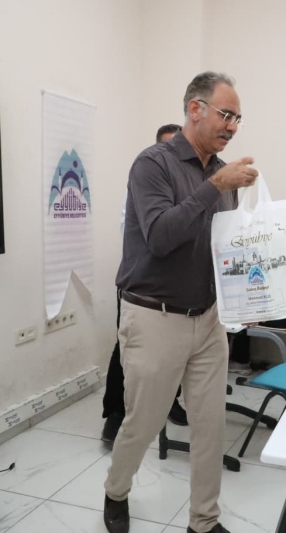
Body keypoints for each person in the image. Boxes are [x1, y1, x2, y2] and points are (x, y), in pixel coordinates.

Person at [103, 72, 257, 533]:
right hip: (154, 317)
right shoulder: (152, 164)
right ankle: (116, 490)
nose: (232, 126)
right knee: (143, 424)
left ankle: (203, 522)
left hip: (208, 319)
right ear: (195, 109)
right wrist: (216, 186)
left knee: (210, 426)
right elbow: (162, 236)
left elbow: (218, 247)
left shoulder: (221, 175)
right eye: (225, 114)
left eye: (238, 119)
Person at [102, 124, 186, 443]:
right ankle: (115, 413)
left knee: (176, 350)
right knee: (126, 350)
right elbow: (154, 238)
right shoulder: (146, 181)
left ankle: (169, 403)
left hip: (176, 290)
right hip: (140, 288)